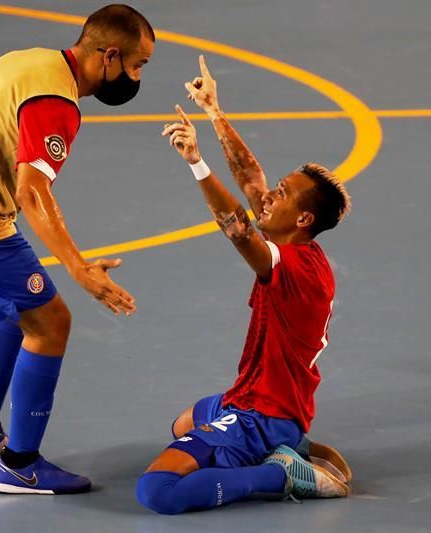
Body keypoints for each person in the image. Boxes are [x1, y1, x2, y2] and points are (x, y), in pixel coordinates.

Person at [0, 4, 154, 495]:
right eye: (138, 65)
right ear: (110, 56)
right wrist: (80, 270)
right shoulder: (56, 103)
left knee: (12, 308)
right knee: (51, 321)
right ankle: (19, 464)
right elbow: (32, 191)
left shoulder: (33, 59)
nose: (139, 77)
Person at [136, 56, 353, 514]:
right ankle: (289, 443)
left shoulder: (292, 267)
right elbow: (252, 182)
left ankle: (284, 473)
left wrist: (196, 163)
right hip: (253, 398)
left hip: (262, 415)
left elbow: (237, 229)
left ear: (303, 219)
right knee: (182, 426)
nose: (268, 195)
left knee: (158, 491)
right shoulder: (291, 238)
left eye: (282, 193)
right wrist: (215, 111)